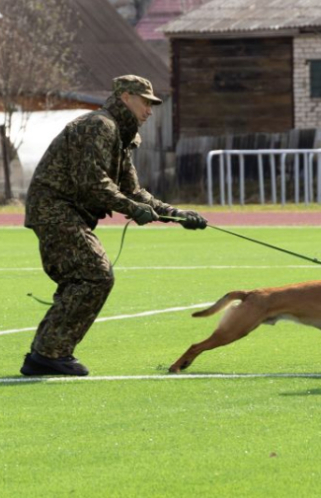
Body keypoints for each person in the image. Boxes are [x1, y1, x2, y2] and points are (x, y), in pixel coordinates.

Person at [21, 74, 207, 376]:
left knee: (85, 278)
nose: (149, 111)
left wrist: (176, 214)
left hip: (66, 212)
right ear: (125, 97)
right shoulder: (98, 126)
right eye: (146, 103)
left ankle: (47, 354)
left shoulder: (119, 133)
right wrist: (133, 209)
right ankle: (48, 354)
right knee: (95, 274)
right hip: (55, 209)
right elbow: (92, 184)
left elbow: (133, 190)